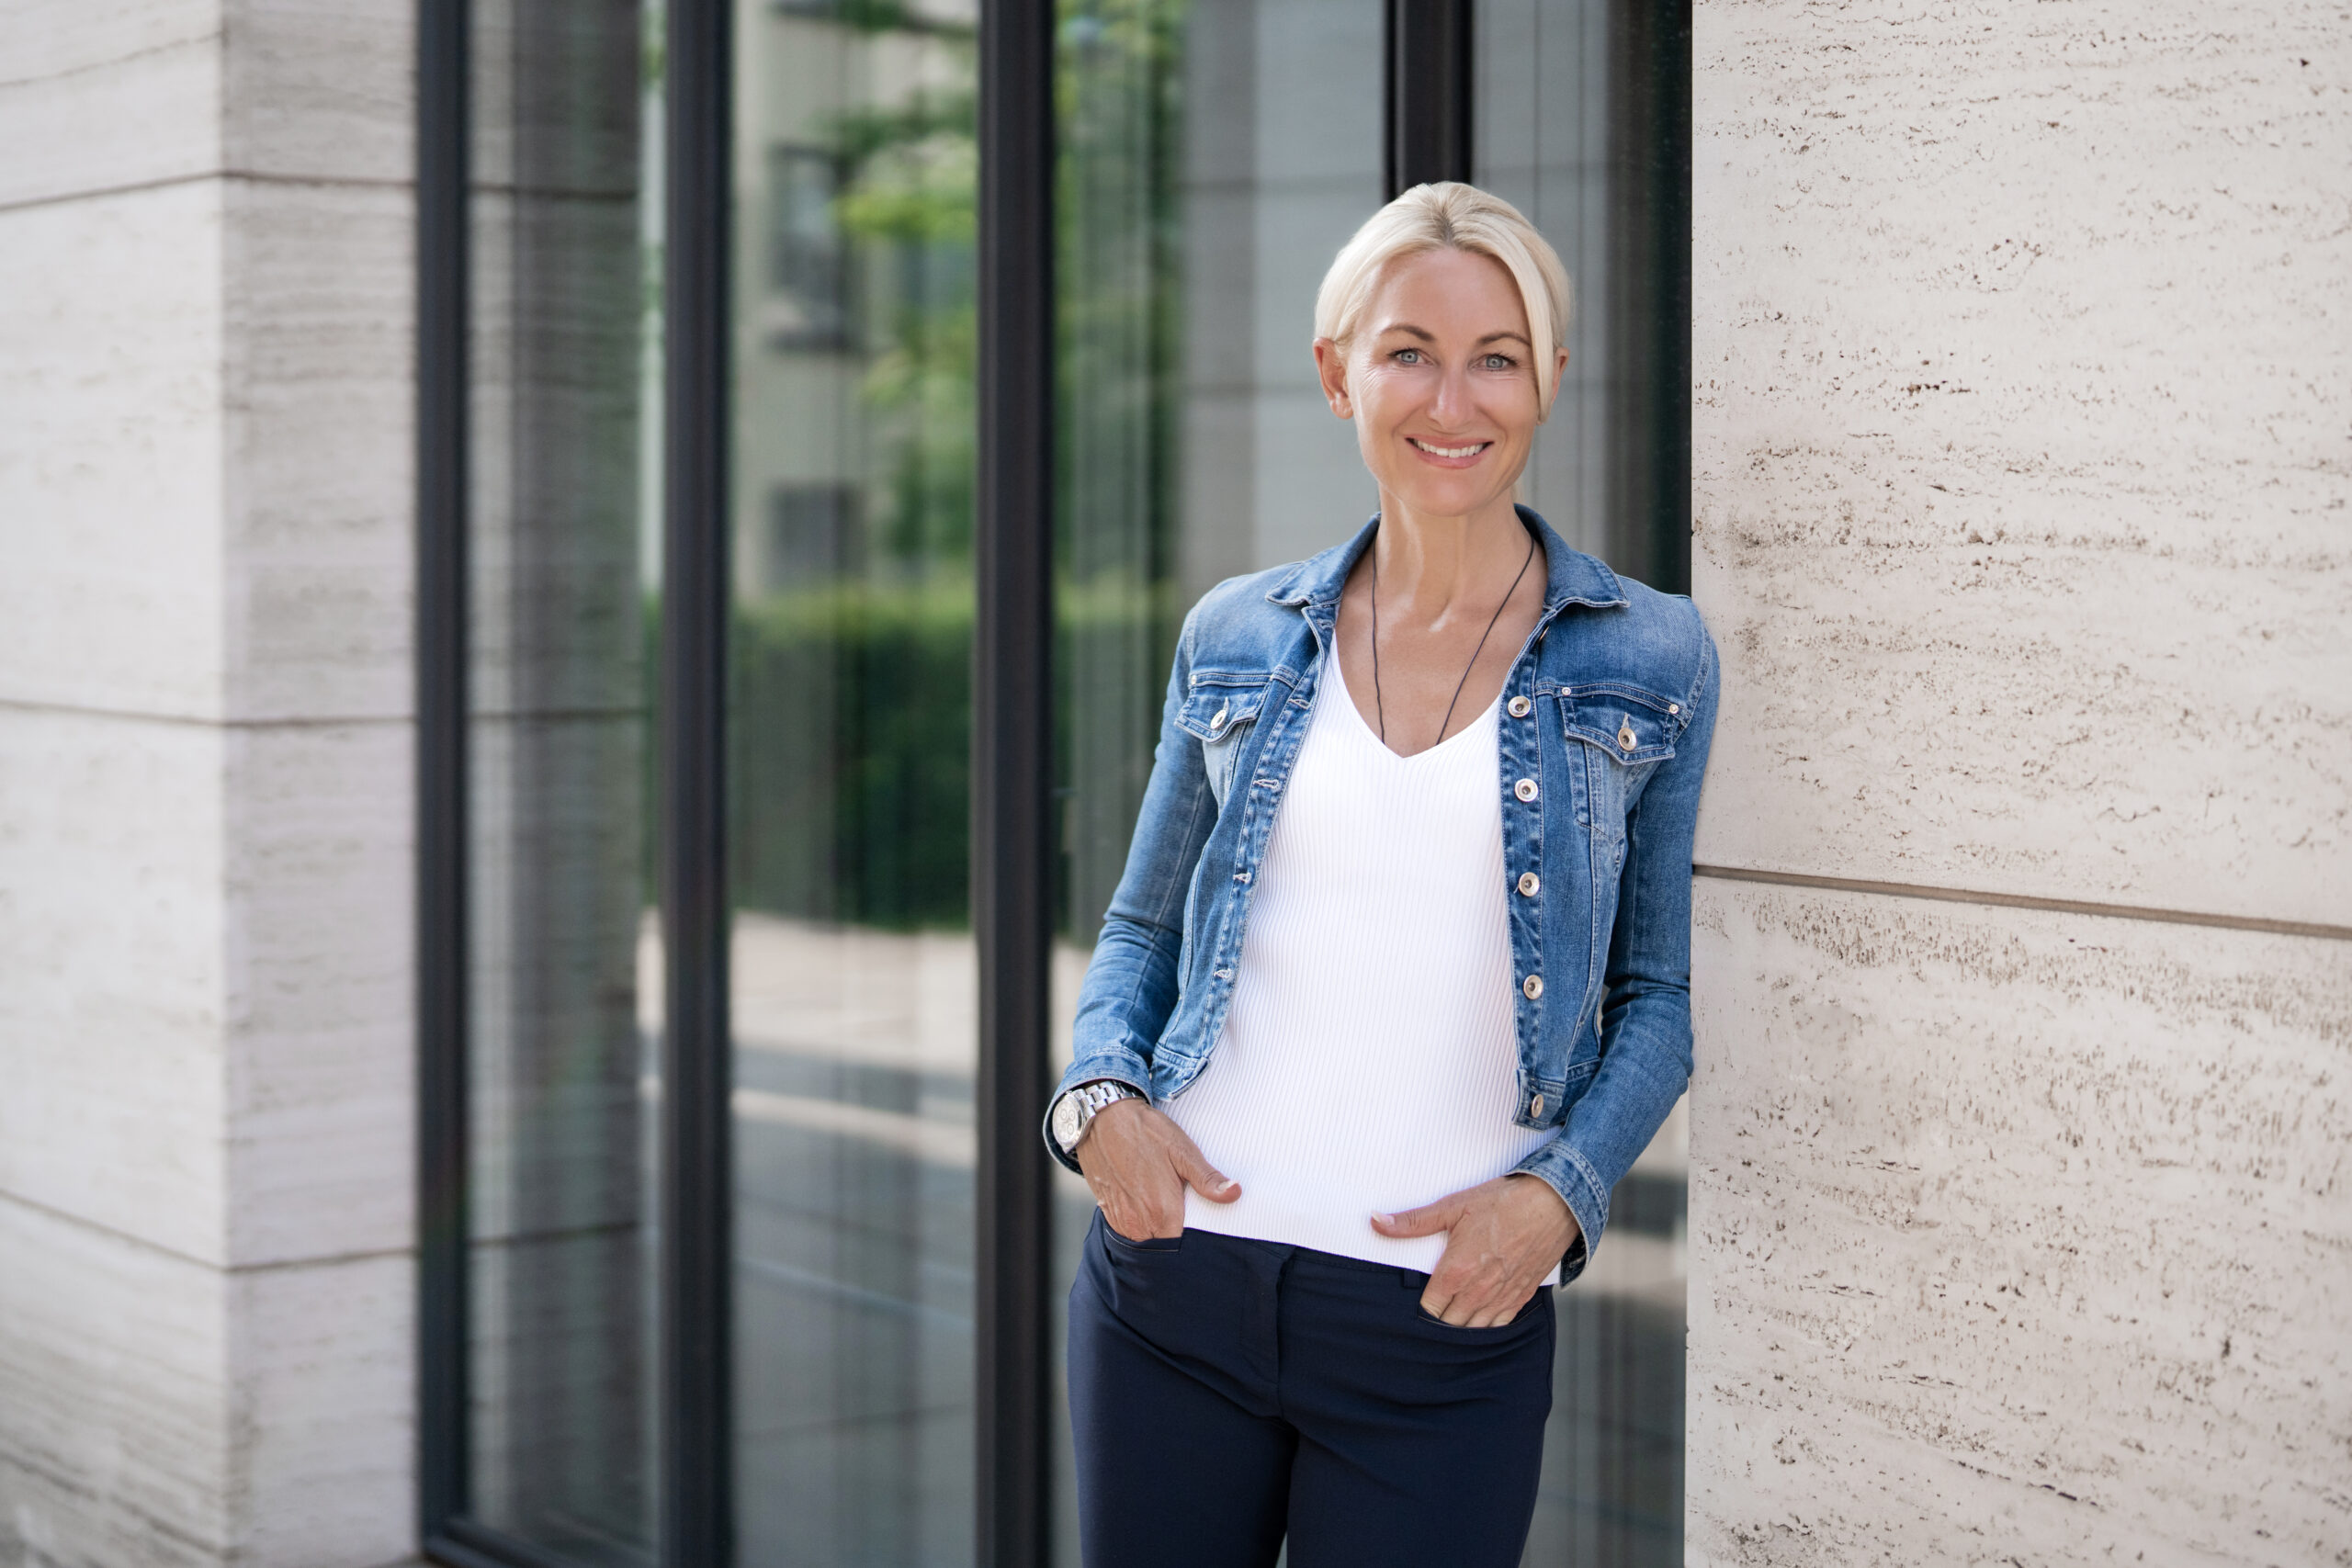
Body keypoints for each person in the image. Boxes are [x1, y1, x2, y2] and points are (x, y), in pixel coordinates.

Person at [1044, 181, 1718, 1568]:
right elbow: (1137, 929)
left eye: (1497, 356)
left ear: (1550, 381)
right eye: (1409, 349)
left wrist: (1560, 1198)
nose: (1451, 398)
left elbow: (1655, 997)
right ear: (1335, 369)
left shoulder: (1649, 658)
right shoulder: (1234, 633)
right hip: (1170, 1297)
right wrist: (1096, 1104)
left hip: (1442, 1333)